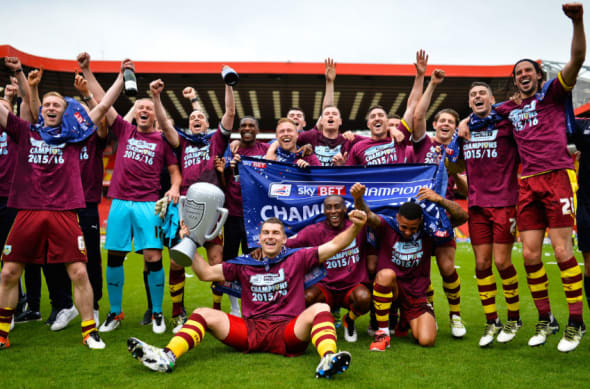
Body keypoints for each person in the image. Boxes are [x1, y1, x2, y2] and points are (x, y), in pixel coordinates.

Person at [127, 210, 368, 378]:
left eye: (276, 233)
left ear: (284, 239)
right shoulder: (244, 264)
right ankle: (167, 357)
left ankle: (328, 358)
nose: (270, 236)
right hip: (250, 330)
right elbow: (206, 274)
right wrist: (189, 243)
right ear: (259, 238)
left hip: (287, 331)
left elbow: (335, 245)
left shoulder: (298, 257)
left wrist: (356, 226)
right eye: (266, 233)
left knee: (321, 309)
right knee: (202, 313)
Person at [0, 56, 127, 350]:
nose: (52, 107)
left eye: (57, 104)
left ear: (65, 112)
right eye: (47, 104)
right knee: (8, 272)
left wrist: (121, 78)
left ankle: (89, 331)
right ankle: (3, 332)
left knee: (79, 272)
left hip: (64, 212)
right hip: (28, 211)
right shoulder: (25, 132)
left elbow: (104, 106)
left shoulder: (76, 137)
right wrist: (18, 75)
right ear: (39, 110)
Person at [492, 3, 586, 352]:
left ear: (539, 76)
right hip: (526, 183)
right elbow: (483, 109)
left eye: (528, 70)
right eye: (518, 73)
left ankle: (576, 322)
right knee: (530, 255)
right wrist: (464, 122)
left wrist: (577, 21)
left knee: (562, 251)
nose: (523, 75)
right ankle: (546, 319)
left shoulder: (552, 94)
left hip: (557, 177)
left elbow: (576, 60)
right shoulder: (509, 109)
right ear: (515, 81)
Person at [80, 57, 181, 335]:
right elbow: (103, 102)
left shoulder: (162, 140)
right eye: (141, 107)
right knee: (113, 257)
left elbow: (174, 171)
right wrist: (89, 71)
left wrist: (174, 187)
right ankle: (115, 312)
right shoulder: (123, 130)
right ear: (135, 114)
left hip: (149, 204)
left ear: (155, 115)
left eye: (149, 108)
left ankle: (158, 313)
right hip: (120, 202)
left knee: (152, 257)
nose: (145, 110)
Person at [151, 74, 235, 331]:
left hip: (213, 208)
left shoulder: (215, 141)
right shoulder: (183, 142)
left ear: (209, 124)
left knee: (216, 261)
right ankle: (178, 313)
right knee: (177, 260)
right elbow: (165, 125)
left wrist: (227, 85)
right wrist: (156, 97)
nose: (196, 120)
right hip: (186, 207)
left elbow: (230, 113)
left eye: (200, 118)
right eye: (192, 119)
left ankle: (217, 311)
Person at [350, 183, 468, 350]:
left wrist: (439, 199)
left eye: (412, 228)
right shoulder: (386, 225)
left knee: (427, 341)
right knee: (385, 275)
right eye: (404, 227)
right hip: (394, 289)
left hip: (416, 294)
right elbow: (368, 215)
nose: (407, 232)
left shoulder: (428, 230)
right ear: (397, 218)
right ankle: (382, 334)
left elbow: (462, 216)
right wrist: (358, 198)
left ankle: (405, 320)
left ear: (420, 222)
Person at [409, 69, 468, 338]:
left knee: (446, 268)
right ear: (435, 124)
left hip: (444, 213)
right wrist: (431, 83)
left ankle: (455, 316)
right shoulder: (423, 145)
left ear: (455, 127)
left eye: (450, 121)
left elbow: (467, 191)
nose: (445, 124)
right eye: (441, 120)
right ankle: (428, 308)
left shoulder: (460, 151)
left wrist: (455, 173)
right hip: (420, 215)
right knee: (421, 269)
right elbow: (417, 115)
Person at [462, 82, 521, 347]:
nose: (477, 97)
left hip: (505, 202)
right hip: (476, 205)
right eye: (473, 95)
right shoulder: (464, 130)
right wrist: (461, 126)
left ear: (492, 99)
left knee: (502, 262)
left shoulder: (506, 124)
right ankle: (492, 320)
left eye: (481, 93)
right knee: (482, 265)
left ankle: (514, 317)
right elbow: (452, 161)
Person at [286, 195, 371, 343]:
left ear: (345, 208)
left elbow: (370, 216)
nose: (333, 211)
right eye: (329, 207)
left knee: (364, 298)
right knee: (306, 298)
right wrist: (261, 250)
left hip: (351, 286)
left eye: (337, 206)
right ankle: (323, 320)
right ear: (323, 211)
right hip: (325, 286)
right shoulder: (313, 231)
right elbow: (287, 244)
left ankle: (349, 320)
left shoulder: (357, 226)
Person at [346, 50, 428, 166]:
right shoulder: (358, 147)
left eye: (381, 115)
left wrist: (420, 76)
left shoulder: (399, 139)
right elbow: (350, 176)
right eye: (373, 117)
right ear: (368, 124)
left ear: (387, 122)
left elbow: (412, 106)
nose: (377, 118)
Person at [222, 116, 269, 268]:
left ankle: (251, 290)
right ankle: (230, 291)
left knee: (255, 259)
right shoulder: (229, 150)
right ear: (239, 130)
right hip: (233, 213)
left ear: (257, 130)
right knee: (230, 259)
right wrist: (227, 167)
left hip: (256, 215)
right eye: (243, 126)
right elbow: (222, 182)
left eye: (251, 125)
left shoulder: (266, 149)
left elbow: (288, 144)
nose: (247, 128)